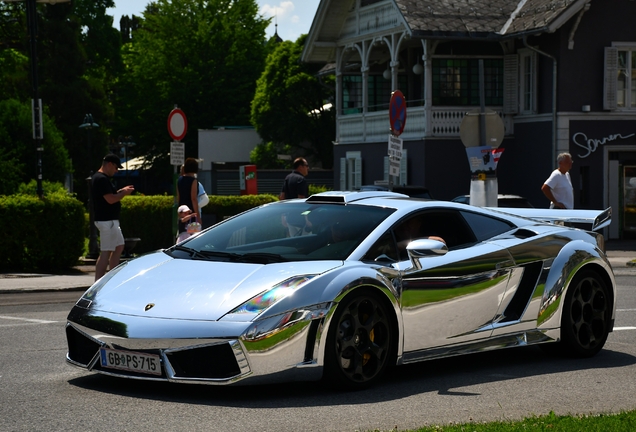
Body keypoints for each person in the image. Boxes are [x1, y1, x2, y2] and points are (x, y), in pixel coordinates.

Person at [92, 154, 135, 281]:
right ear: (109, 164)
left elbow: (109, 195)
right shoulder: (101, 179)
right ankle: (98, 283)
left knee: (119, 246)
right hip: (107, 221)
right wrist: (124, 193)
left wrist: (121, 191)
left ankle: (111, 278)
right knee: (106, 251)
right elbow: (110, 199)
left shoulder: (100, 178)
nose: (116, 171)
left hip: (109, 221)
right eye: (116, 168)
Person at [177, 158, 200, 239]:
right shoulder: (193, 181)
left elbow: (178, 198)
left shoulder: (179, 180)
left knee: (182, 238)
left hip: (182, 213)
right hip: (191, 213)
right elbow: (193, 199)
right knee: (193, 238)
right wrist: (198, 216)